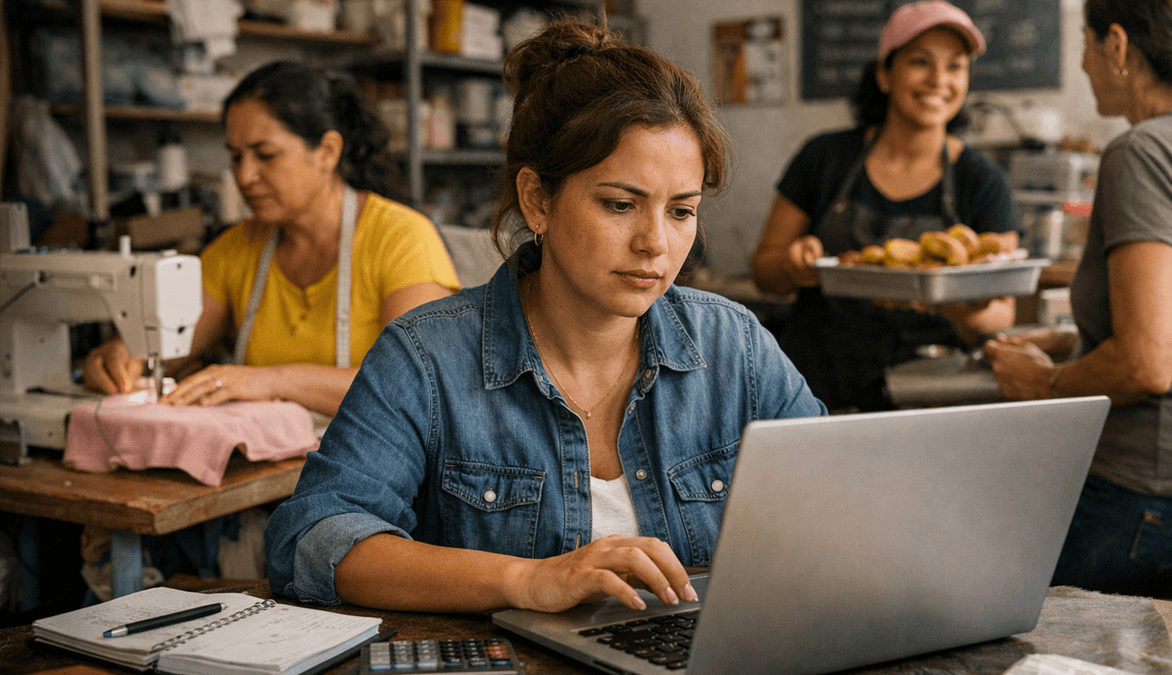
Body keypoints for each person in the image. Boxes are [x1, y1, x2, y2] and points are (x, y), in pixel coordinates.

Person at [264, 19, 826, 614]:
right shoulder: (427, 358)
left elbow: (838, 498)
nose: (655, 243)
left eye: (681, 211)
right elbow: (313, 541)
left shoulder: (734, 344)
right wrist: (525, 580)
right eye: (620, 204)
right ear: (537, 200)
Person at [83, 61, 461, 418]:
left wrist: (272, 381)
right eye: (235, 157)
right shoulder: (237, 248)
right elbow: (166, 349)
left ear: (327, 152)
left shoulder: (402, 240)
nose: (244, 177)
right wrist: (124, 357)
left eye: (265, 155)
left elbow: (415, 387)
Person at [983, 0, 1172, 600]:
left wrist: (1043, 381)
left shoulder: (1145, 151)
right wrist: (1072, 340)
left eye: (1084, 42)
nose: (1082, 61)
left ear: (1118, 47)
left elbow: (1148, 362)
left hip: (1143, 493)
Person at [750, 0, 1022, 413]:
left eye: (955, 66)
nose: (938, 80)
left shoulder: (981, 180)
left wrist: (956, 298)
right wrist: (792, 266)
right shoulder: (825, 157)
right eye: (919, 61)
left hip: (930, 393)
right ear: (883, 74)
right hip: (815, 385)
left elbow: (1001, 315)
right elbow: (764, 271)